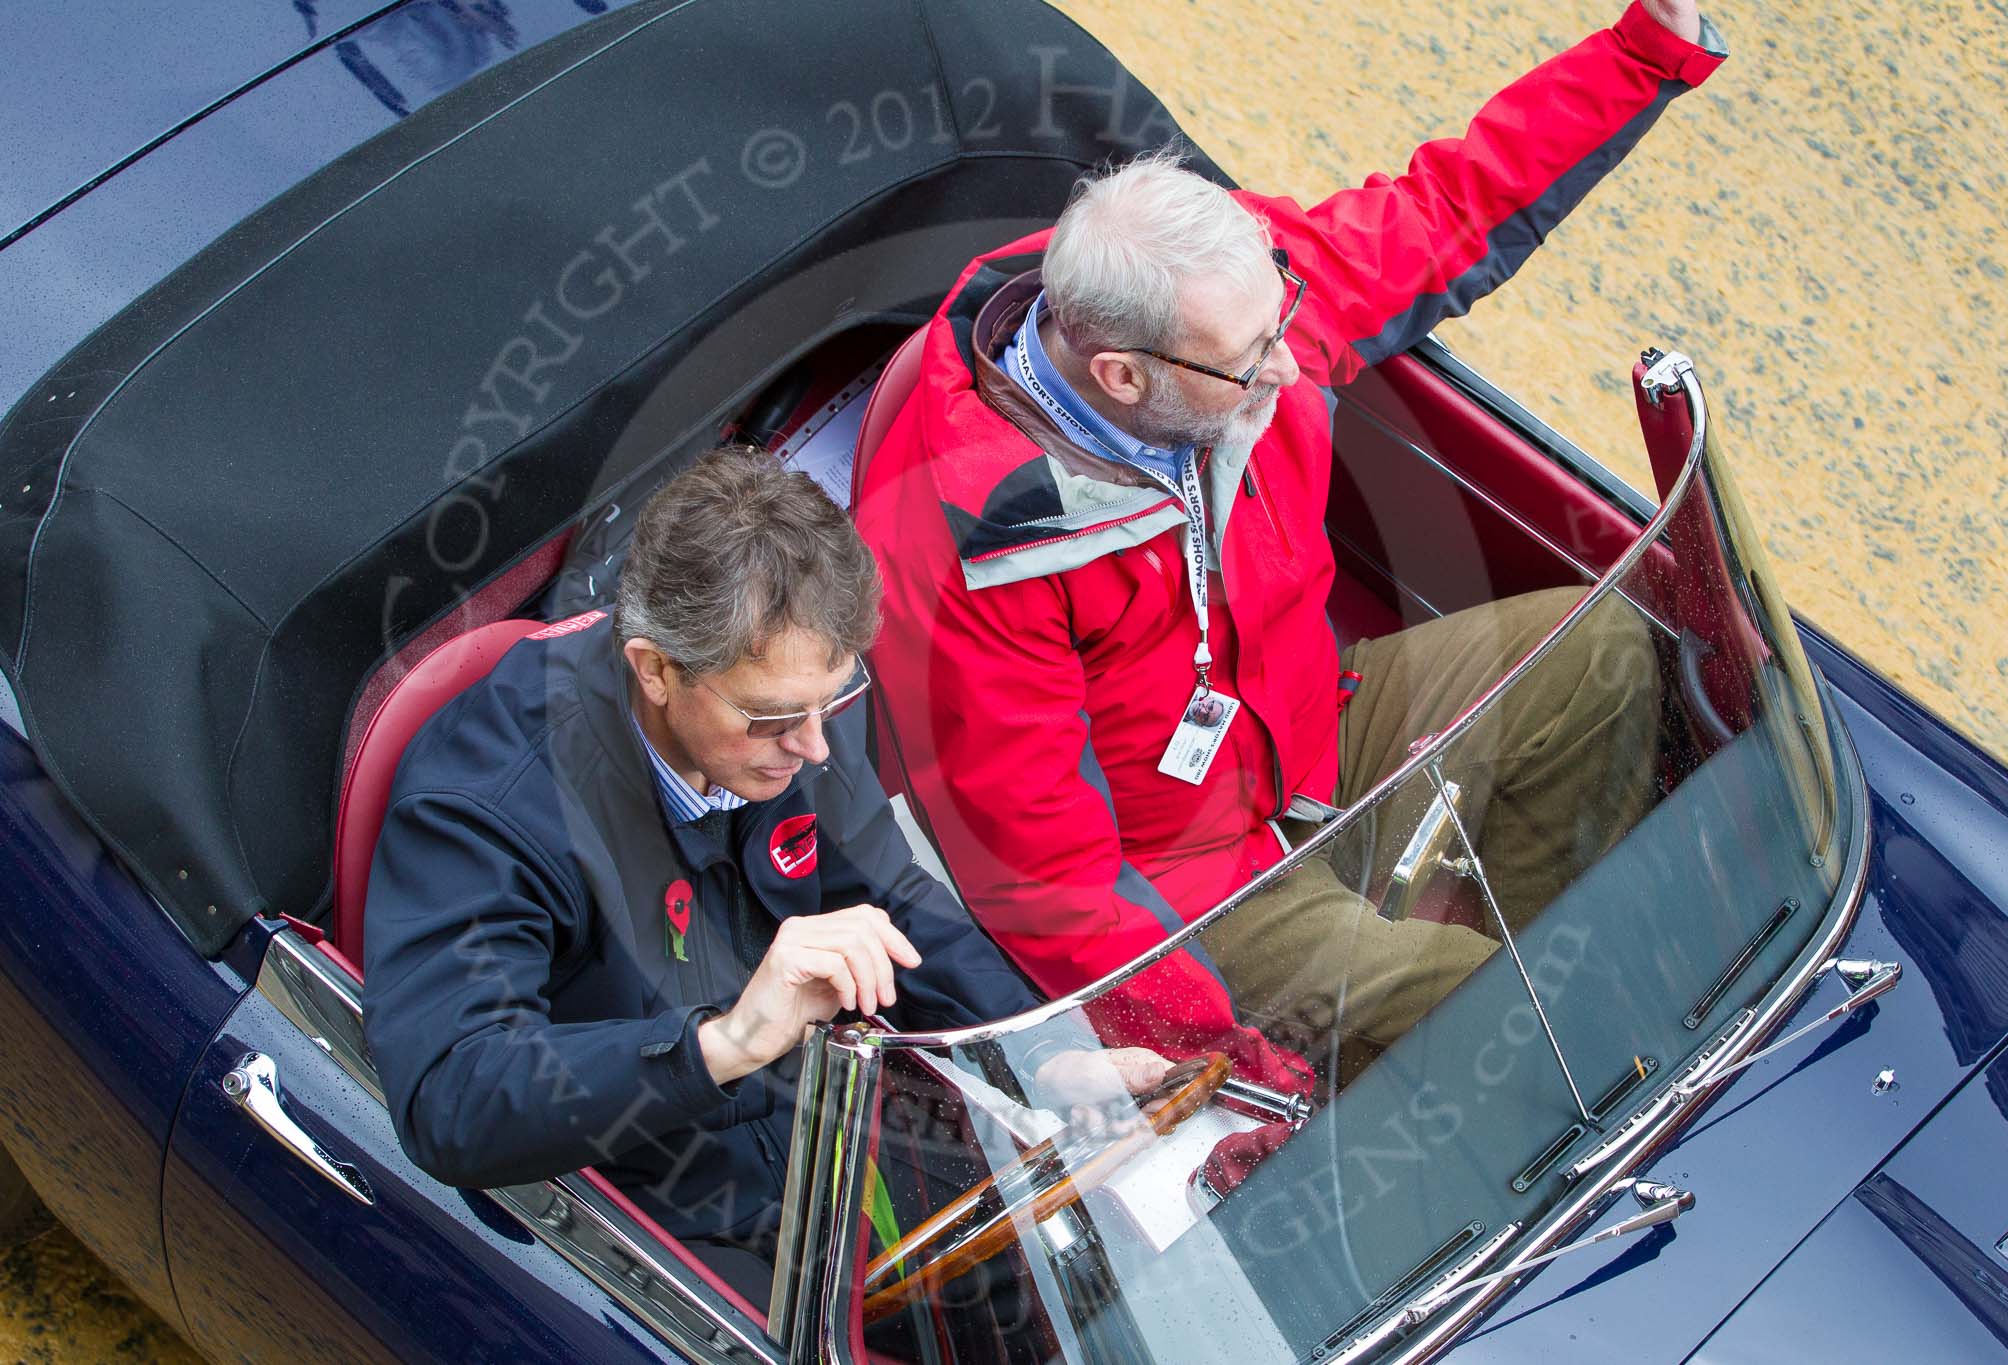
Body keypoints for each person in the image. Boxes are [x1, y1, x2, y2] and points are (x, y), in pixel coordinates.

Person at [854, 2, 1717, 1081]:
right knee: (1493, 1004)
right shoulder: (976, 555)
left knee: (1601, 656)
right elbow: (1047, 884)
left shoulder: (1219, 307)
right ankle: (1462, 1045)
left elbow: (1444, 207)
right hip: (1184, 880)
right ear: (1120, 375)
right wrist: (1227, 1053)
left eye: (1280, 319)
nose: (1288, 365)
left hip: (1306, 733)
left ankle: (1488, 984)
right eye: (1249, 358)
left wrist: (1642, 51)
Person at [363, 448, 1167, 1304]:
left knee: (1114, 1283)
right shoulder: (491, 806)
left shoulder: (789, 706)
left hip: (840, 1135)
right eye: (776, 717)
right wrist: (728, 1041)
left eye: (833, 700)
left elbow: (892, 898)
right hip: (663, 1206)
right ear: (656, 669)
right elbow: (450, 1098)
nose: (816, 746)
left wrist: (1039, 1051)